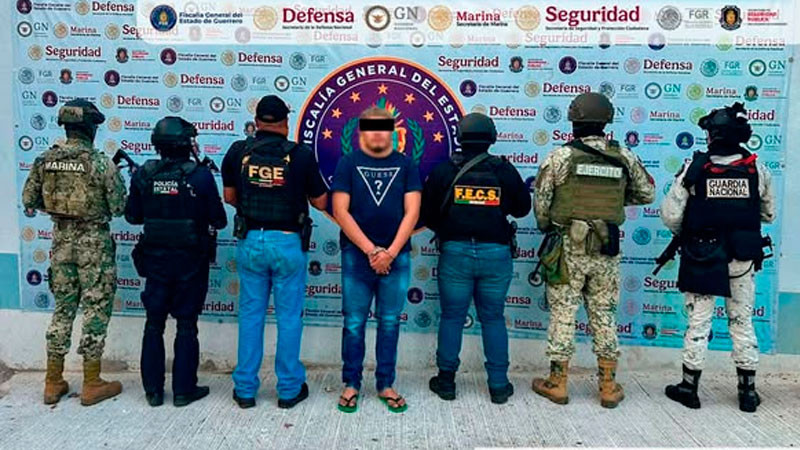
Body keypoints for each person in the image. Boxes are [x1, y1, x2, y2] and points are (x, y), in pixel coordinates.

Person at [532, 92, 655, 408]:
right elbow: (646, 194)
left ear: (573, 122)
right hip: (605, 248)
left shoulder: (560, 157)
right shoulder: (623, 156)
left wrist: (548, 226)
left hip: (568, 249)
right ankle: (608, 386)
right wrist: (614, 202)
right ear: (606, 122)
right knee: (604, 313)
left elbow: (542, 202)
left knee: (563, 312)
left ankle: (558, 383)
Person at [660, 102, 775, 413]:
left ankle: (689, 388)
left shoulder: (695, 168)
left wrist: (693, 232)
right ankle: (747, 393)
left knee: (698, 321)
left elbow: (671, 215)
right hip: (742, 257)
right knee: (742, 321)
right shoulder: (756, 169)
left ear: (711, 135)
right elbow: (768, 213)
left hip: (702, 256)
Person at [221, 95, 328, 409]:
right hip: (287, 242)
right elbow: (321, 202)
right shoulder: (301, 155)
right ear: (286, 123)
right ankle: (289, 390)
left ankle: (245, 390)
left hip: (251, 240)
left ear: (256, 122)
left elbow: (230, 197)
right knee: (289, 317)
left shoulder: (238, 152)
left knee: (251, 316)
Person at [21, 99, 127, 406]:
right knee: (96, 309)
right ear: (91, 128)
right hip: (94, 245)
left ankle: (52, 381)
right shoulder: (101, 163)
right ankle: (92, 382)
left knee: (63, 309)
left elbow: (30, 199)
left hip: (61, 242)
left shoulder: (45, 160)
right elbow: (119, 207)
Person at [422, 113, 531, 404]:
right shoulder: (504, 170)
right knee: (493, 317)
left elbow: (427, 215)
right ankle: (498, 385)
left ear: (460, 136)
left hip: (455, 253)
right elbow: (522, 209)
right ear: (492, 138)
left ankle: (446, 381)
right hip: (495, 254)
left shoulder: (444, 170)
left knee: (452, 316)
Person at [124, 117, 227, 407]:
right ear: (185, 144)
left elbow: (133, 216)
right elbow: (219, 220)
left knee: (153, 324)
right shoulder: (200, 176)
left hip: (155, 261)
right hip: (190, 262)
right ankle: (183, 390)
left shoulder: (144, 175)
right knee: (186, 324)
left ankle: (153, 391)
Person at [331, 106, 421, 413]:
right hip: (357, 258)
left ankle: (385, 384)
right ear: (361, 132)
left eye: (384, 127)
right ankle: (351, 383)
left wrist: (390, 253)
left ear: (392, 132)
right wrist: (371, 251)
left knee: (390, 322)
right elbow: (340, 210)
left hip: (397, 257)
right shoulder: (348, 163)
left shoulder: (407, 164)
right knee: (354, 323)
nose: (378, 133)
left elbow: (413, 212)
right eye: (372, 128)